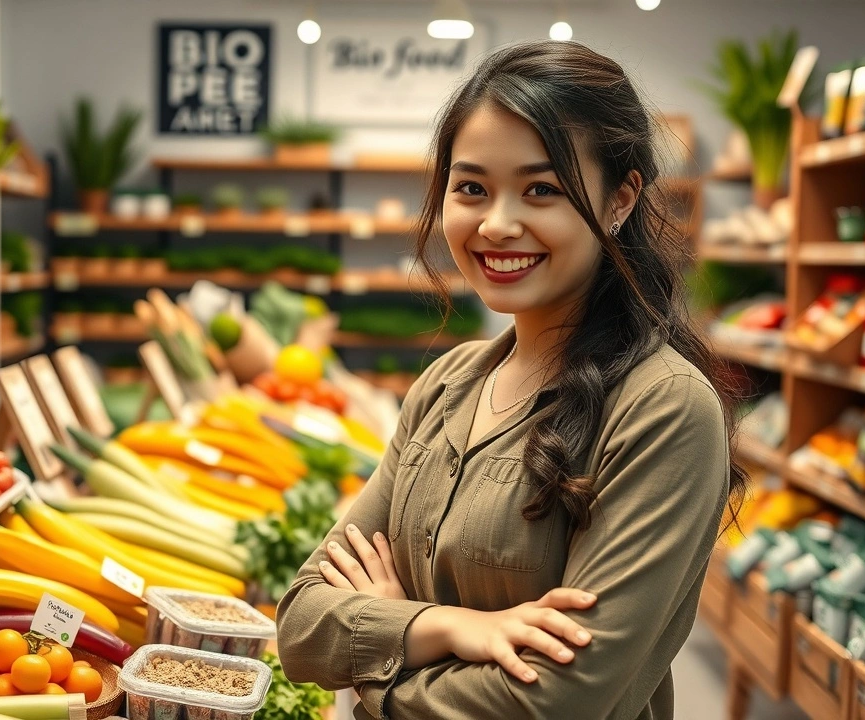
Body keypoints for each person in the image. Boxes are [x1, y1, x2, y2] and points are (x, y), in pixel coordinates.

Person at [275, 40, 748, 720]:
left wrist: (378, 671)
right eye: (471, 188)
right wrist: (444, 626)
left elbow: (555, 700)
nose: (497, 225)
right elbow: (300, 625)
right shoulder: (446, 385)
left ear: (620, 199)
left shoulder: (663, 410)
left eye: (542, 190)